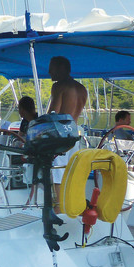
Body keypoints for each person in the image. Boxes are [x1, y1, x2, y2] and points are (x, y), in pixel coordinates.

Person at [46, 56, 88, 212]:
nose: (49, 72)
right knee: (70, 173)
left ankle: (58, 211)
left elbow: (53, 114)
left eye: (51, 68)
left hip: (60, 136)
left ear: (61, 68)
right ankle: (71, 208)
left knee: (57, 174)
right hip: (74, 135)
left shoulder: (59, 86)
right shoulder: (82, 89)